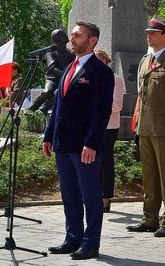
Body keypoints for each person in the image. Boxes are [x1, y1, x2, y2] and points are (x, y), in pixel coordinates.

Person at [43, 21, 114, 260]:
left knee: (91, 196)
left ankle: (90, 243)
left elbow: (101, 112)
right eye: (72, 35)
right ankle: (72, 238)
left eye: (77, 35)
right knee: (70, 195)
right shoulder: (68, 68)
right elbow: (58, 106)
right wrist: (48, 135)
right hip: (63, 144)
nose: (71, 39)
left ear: (92, 40)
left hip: (84, 147)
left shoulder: (100, 71)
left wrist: (92, 143)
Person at [127, 16, 165, 237]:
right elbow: (141, 96)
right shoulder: (145, 60)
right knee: (149, 176)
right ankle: (149, 218)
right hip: (145, 127)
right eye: (148, 32)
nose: (149, 36)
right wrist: (137, 126)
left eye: (154, 33)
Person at [94, 49, 125, 212]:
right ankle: (96, 195)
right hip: (94, 126)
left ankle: (106, 198)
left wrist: (97, 105)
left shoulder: (116, 79)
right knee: (94, 163)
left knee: (106, 162)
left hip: (109, 127)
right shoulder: (93, 78)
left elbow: (117, 105)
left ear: (105, 62)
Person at [30, 29, 74, 113]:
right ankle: (34, 106)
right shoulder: (50, 53)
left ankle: (45, 106)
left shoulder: (70, 53)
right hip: (52, 79)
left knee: (59, 92)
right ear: (57, 38)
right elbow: (52, 68)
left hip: (64, 81)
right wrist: (65, 75)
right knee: (48, 91)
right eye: (63, 34)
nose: (66, 35)